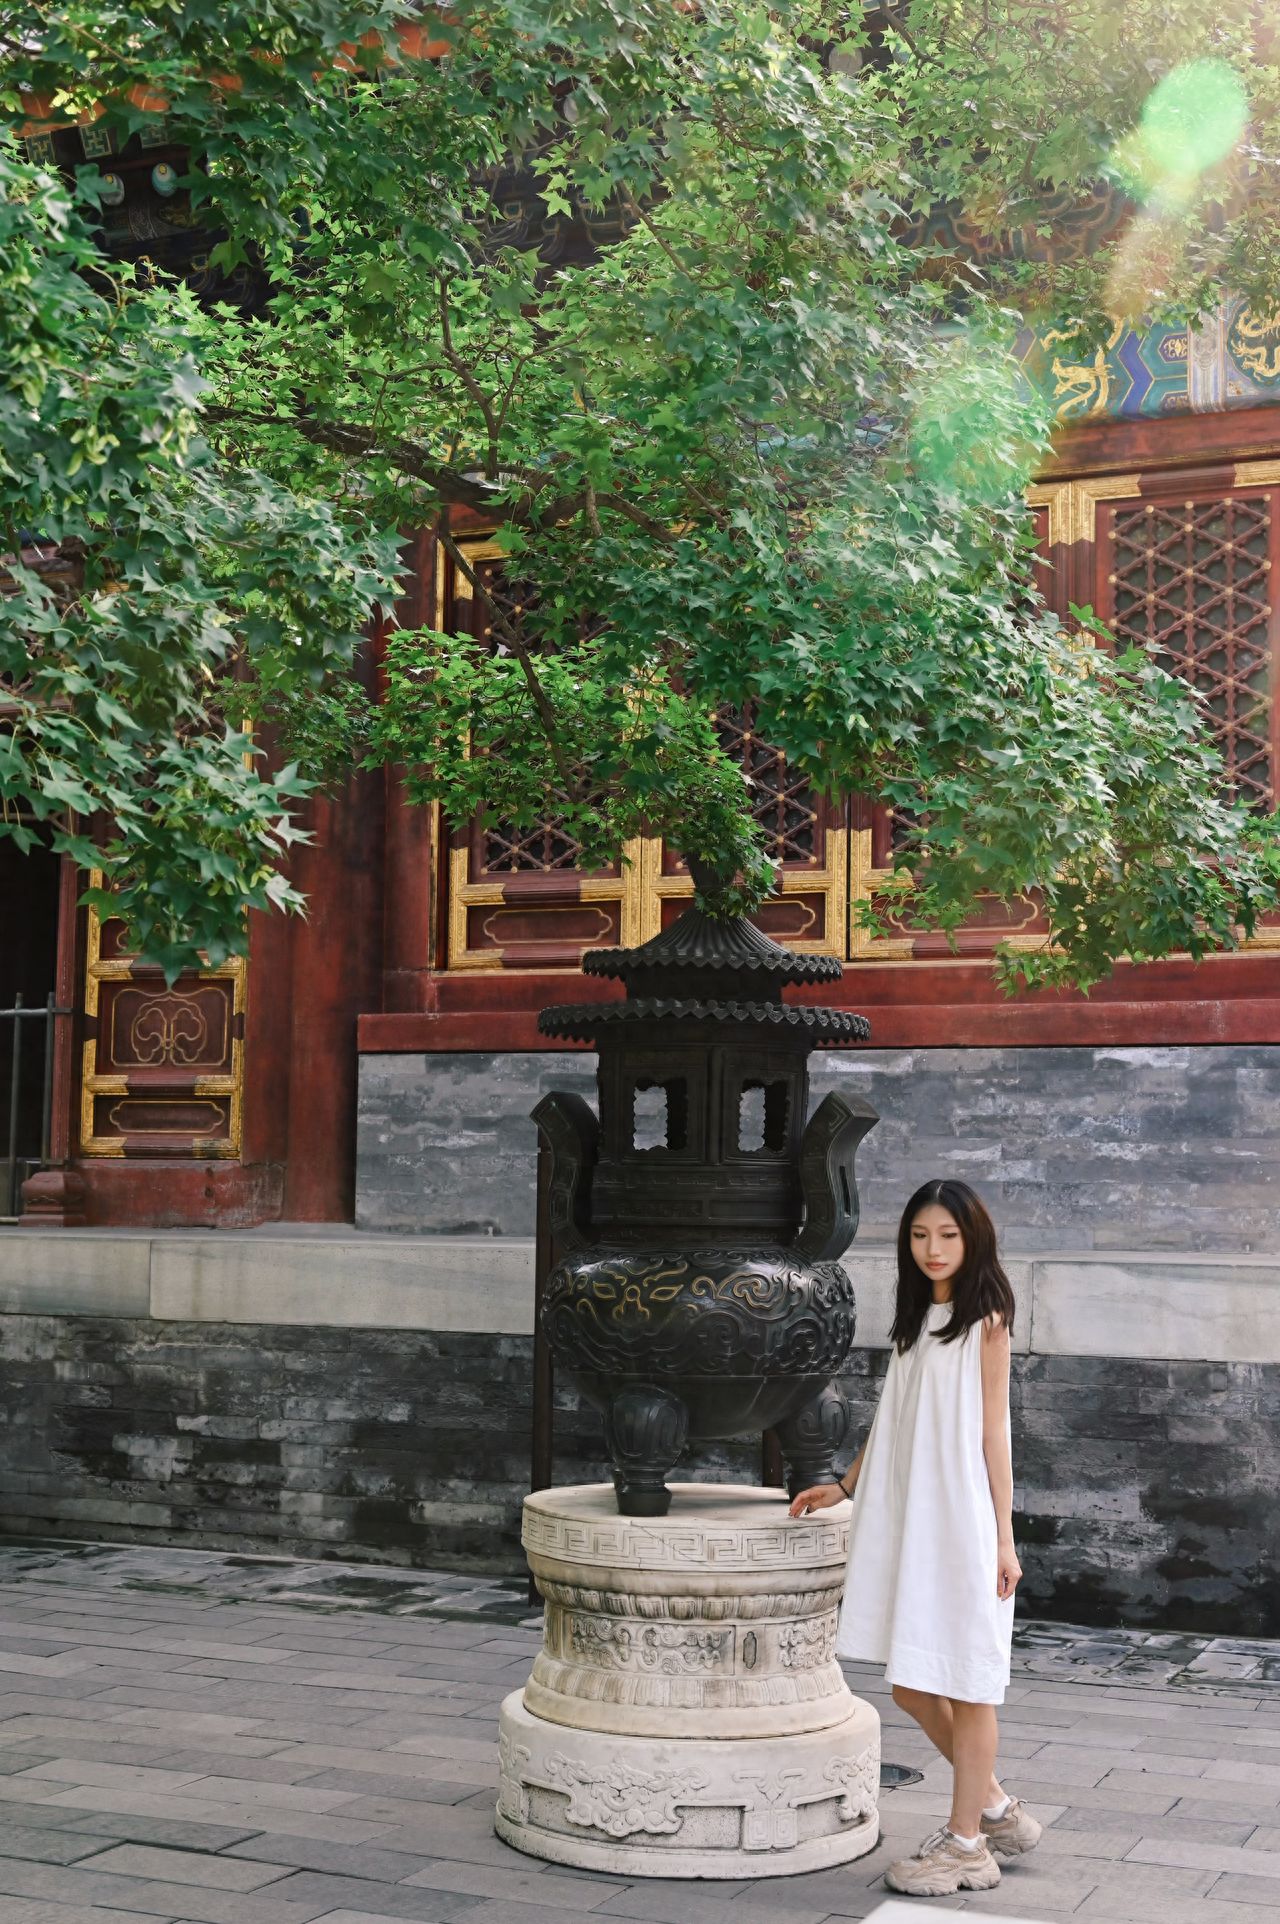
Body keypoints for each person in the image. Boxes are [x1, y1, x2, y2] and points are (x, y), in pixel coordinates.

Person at [789, 1177, 1042, 1898]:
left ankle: (967, 1845)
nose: (933, 1249)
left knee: (969, 1686)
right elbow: (892, 1414)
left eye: (949, 1236)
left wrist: (1004, 1538)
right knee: (910, 1683)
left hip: (959, 1520)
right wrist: (845, 1484)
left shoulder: (985, 1319)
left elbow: (996, 1436)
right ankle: (993, 1808)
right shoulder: (916, 1318)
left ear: (974, 1240)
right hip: (909, 1517)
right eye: (921, 1235)